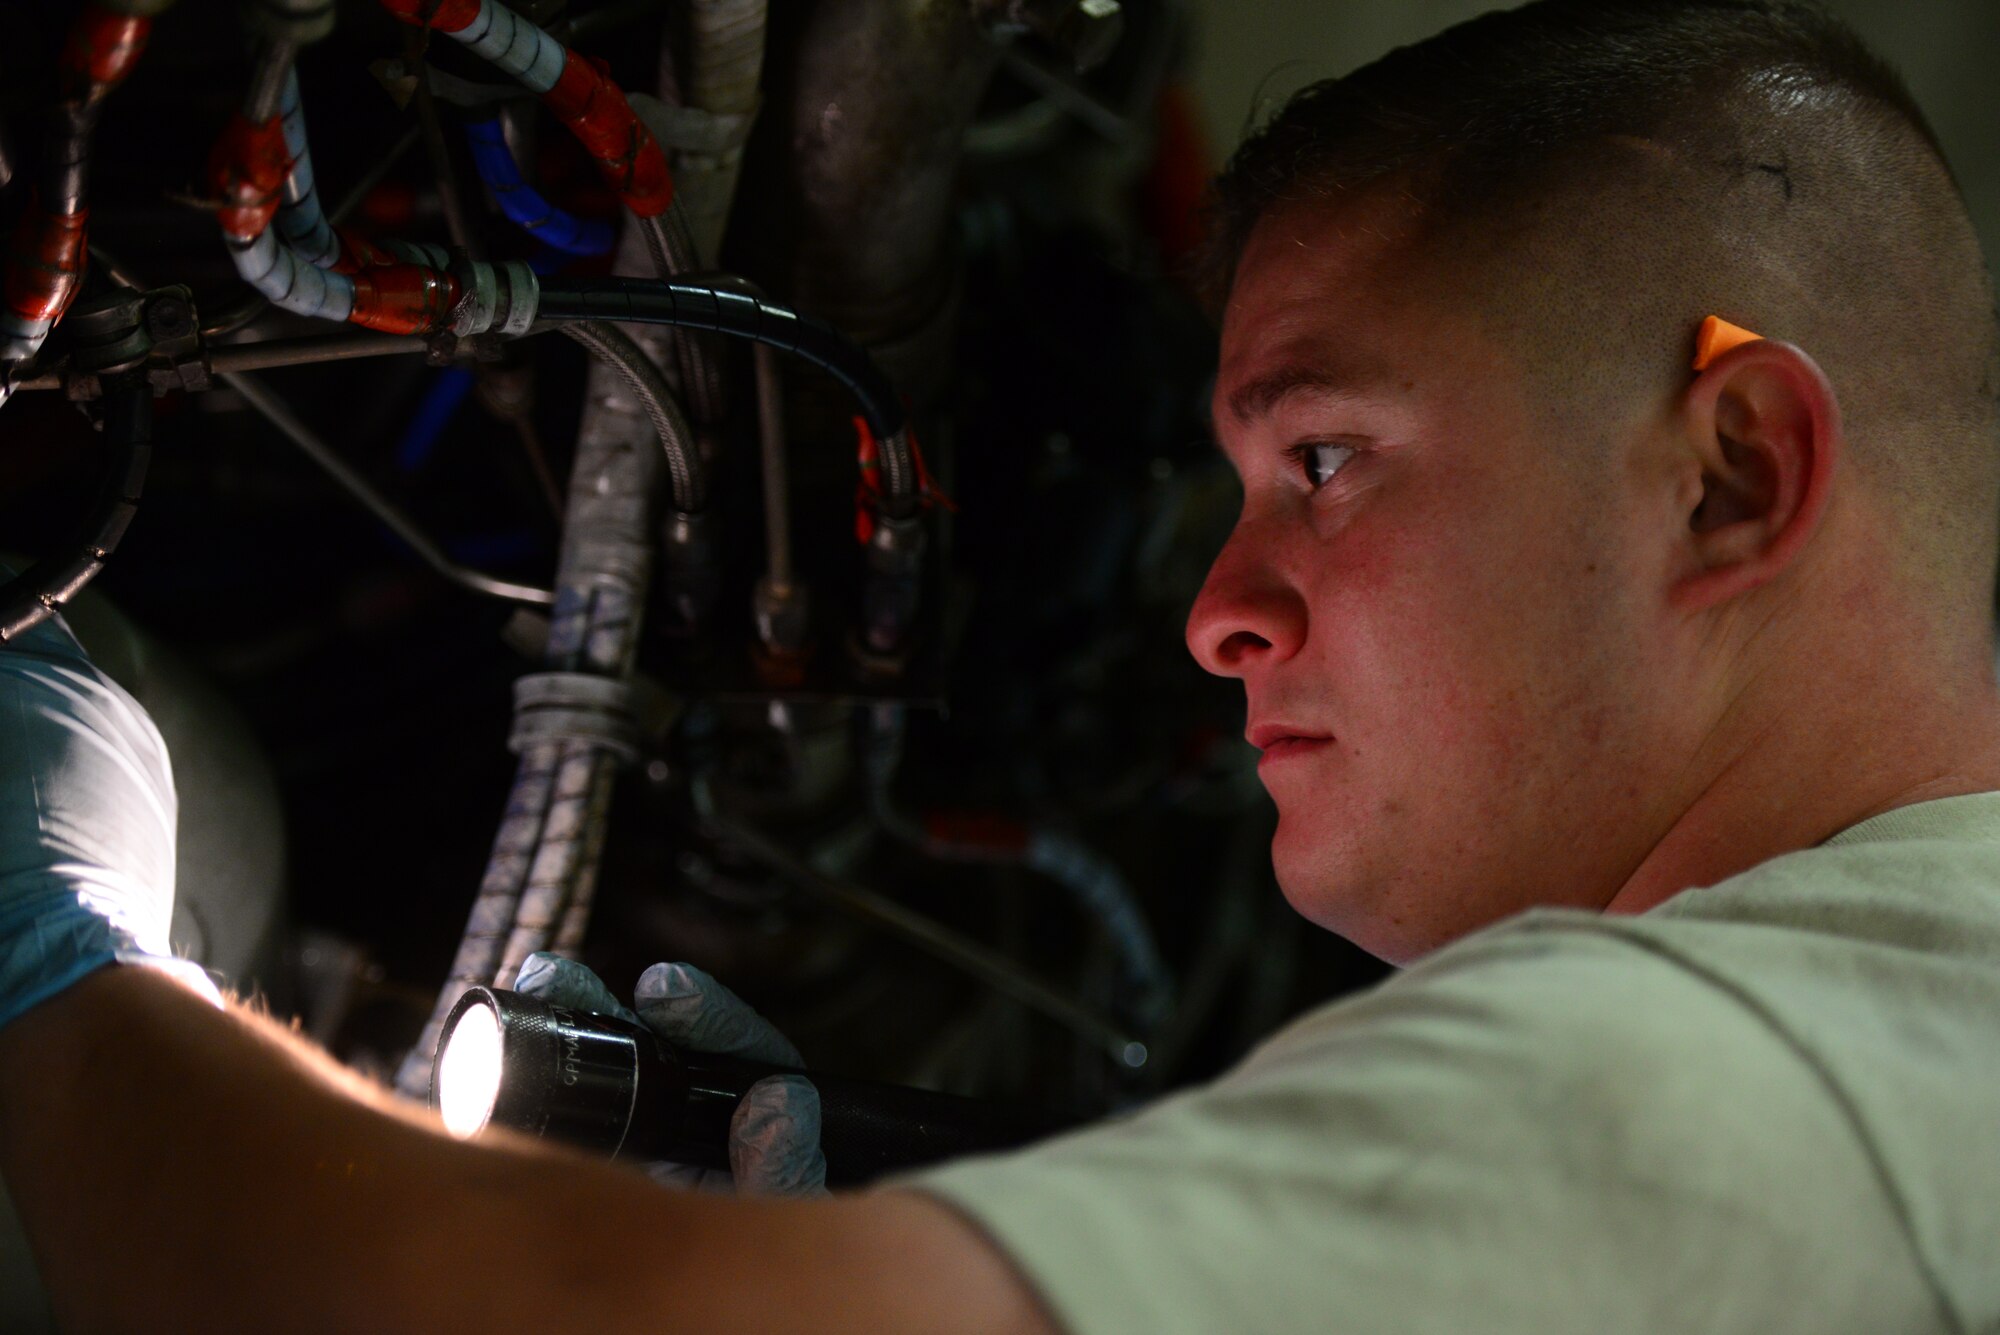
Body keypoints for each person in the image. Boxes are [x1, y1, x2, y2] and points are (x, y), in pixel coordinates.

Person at [3, 0, 1997, 1328]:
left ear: (1733, 472)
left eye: (1324, 458)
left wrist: (56, 979)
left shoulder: (1746, 1062)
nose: (1222, 610)